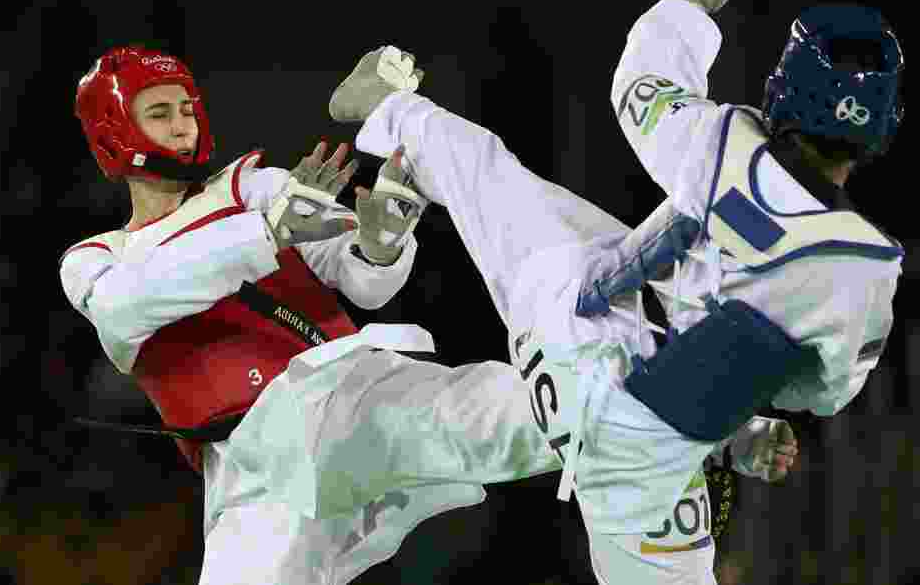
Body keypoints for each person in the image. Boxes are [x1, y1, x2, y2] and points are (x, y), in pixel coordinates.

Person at [327, 0, 900, 583]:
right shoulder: (864, 268)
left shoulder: (724, 144)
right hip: (630, 441)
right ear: (884, 126)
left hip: (579, 315)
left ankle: (391, 111)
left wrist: (684, 2)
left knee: (489, 176)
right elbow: (819, 393)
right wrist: (738, 415)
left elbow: (639, 88)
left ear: (784, 90)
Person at [60, 45, 566, 585]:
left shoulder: (253, 188)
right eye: (160, 114)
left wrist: (379, 244)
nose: (181, 125)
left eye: (187, 109)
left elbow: (364, 282)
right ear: (113, 133)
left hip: (332, 397)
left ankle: (617, 393)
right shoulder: (98, 258)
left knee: (488, 419)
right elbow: (123, 309)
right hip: (247, 471)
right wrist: (266, 234)